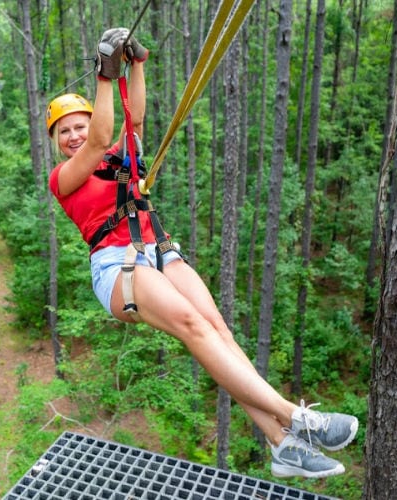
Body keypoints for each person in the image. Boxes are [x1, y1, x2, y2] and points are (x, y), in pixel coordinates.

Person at [47, 28, 358, 479]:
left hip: (158, 249)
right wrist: (104, 74)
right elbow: (99, 139)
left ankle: (281, 446)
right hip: (118, 266)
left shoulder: (119, 158)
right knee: (194, 326)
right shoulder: (64, 178)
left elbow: (133, 124)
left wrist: (136, 65)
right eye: (65, 131)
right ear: (57, 142)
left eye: (79, 125)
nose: (75, 135)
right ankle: (298, 418)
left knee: (219, 333)